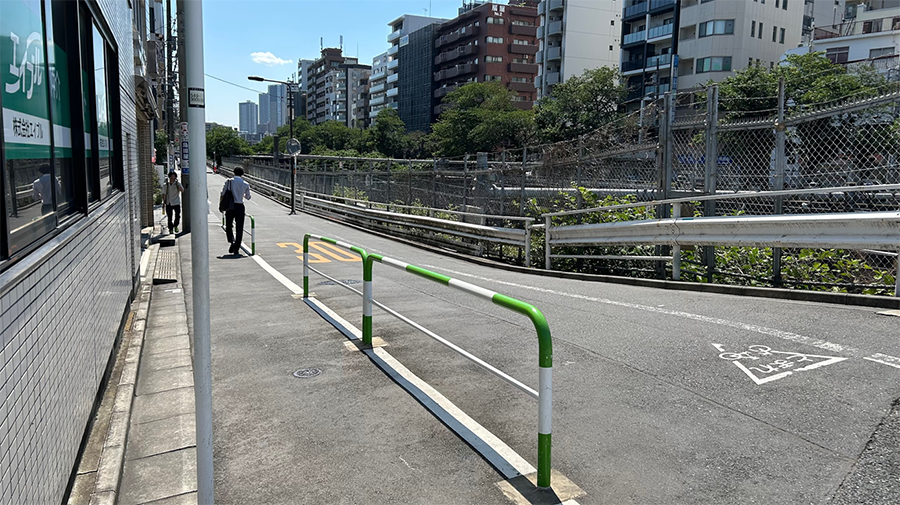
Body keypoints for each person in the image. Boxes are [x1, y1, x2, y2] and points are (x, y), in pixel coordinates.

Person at [223, 166, 251, 255]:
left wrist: (221, 206)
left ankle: (232, 241)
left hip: (230, 206)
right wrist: (241, 195)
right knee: (239, 227)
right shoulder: (245, 184)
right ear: (242, 174)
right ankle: (237, 248)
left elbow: (223, 193)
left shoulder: (229, 181)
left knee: (228, 225)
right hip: (240, 206)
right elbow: (248, 197)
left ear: (233, 172)